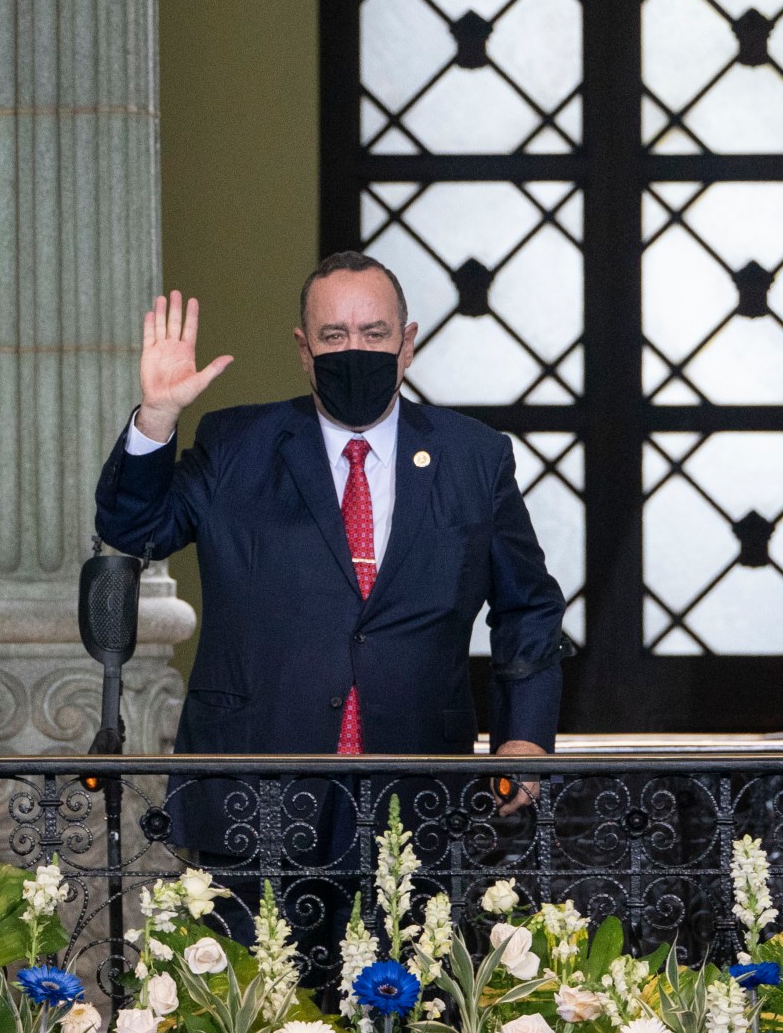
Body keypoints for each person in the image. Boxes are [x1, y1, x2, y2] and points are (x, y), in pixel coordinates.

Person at [93, 252, 568, 892]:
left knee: (406, 992)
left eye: (374, 334)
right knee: (251, 993)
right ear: (303, 347)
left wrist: (525, 739)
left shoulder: (474, 457)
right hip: (254, 795)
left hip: (419, 796)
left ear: (407, 343)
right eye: (334, 336)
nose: (356, 350)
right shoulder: (236, 444)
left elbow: (529, 605)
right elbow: (135, 529)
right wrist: (157, 417)